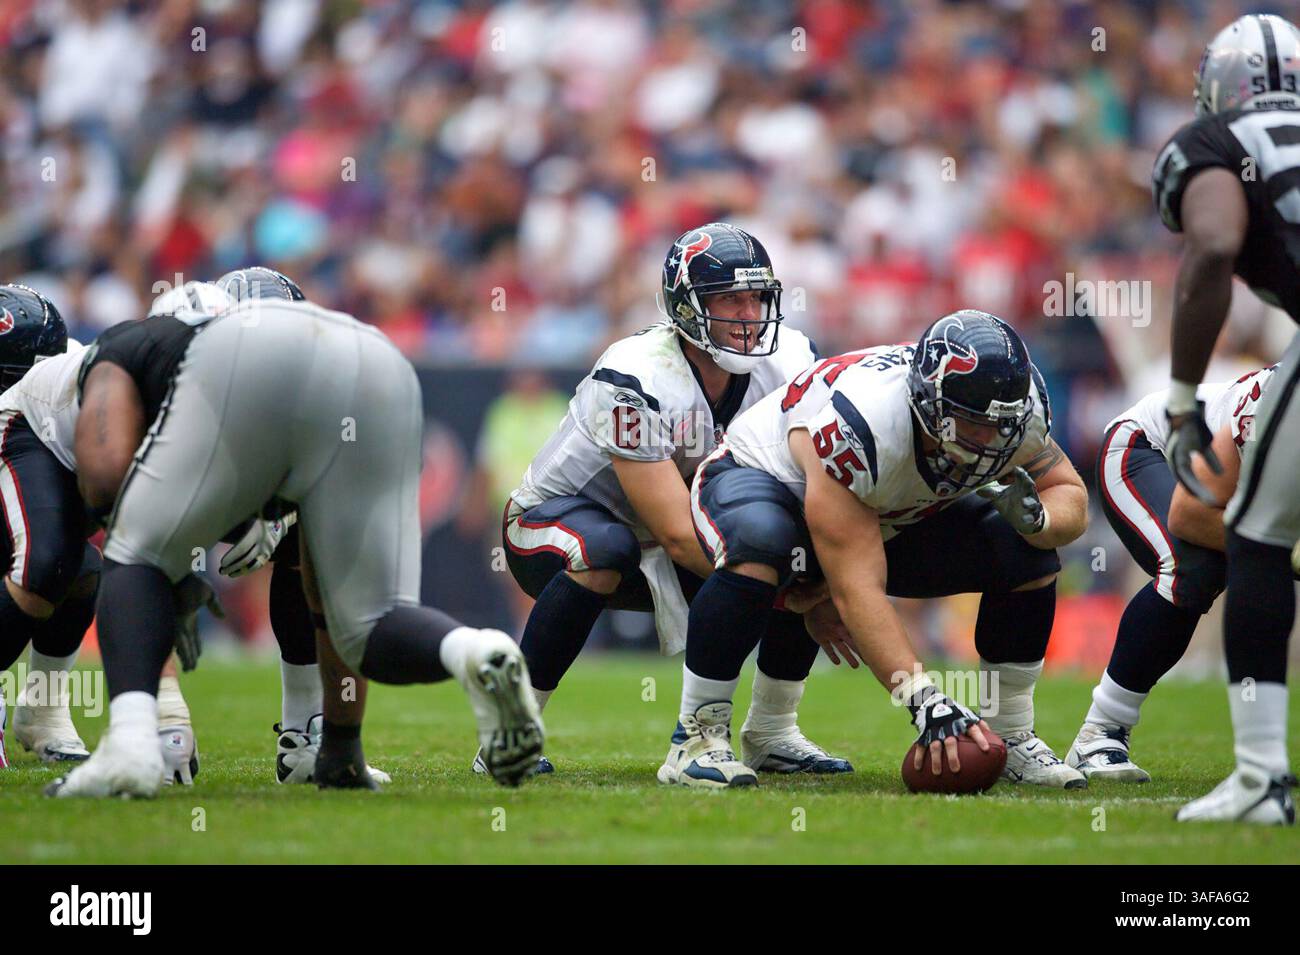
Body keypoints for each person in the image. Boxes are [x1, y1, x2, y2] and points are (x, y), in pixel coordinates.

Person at [48, 285, 543, 797]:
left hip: (242, 369)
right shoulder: (299, 341)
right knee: (370, 622)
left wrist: (160, 565)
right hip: (380, 363)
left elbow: (105, 480)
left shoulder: (138, 342)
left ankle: (129, 747)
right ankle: (472, 652)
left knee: (135, 553)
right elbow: (317, 585)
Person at [660, 311, 1089, 789]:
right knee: (768, 543)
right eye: (972, 423)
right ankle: (696, 737)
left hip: (886, 509)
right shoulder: (865, 426)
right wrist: (923, 699)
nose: (989, 439)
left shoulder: (1012, 412)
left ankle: (1010, 735)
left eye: (998, 424)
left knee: (1021, 549)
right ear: (929, 403)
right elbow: (858, 587)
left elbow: (1069, 491)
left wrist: (1039, 521)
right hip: (762, 477)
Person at [495, 222, 851, 776]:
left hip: (672, 535)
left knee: (790, 541)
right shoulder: (637, 374)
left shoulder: (789, 363)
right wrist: (797, 596)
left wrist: (817, 576)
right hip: (551, 528)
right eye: (728, 299)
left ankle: (774, 731)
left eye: (756, 298)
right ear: (685, 307)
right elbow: (679, 536)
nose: (747, 315)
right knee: (613, 546)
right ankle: (510, 731)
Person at [1154, 12, 1300, 824]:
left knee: (1255, 533)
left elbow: (1212, 245)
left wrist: (1181, 398)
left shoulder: (1213, 141)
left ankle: (1259, 776)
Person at [0, 283, 196, 782]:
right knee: (44, 563)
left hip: (52, 448)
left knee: (79, 567)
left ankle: (43, 707)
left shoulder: (185, 395)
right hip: (29, 440)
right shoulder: (116, 377)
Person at [1068, 368, 1274, 781]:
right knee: (1192, 567)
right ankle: (1100, 729)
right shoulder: (1272, 407)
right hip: (1144, 448)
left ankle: (1267, 751)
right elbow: (1188, 517)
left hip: (1205, 483)